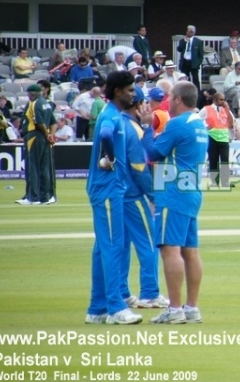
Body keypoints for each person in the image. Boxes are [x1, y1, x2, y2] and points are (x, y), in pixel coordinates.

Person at [138, 82, 208, 324]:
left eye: (170, 98)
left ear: (178, 99)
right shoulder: (200, 124)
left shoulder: (177, 124)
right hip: (191, 190)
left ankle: (175, 309)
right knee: (190, 251)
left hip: (172, 190)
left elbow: (153, 154)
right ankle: (191, 308)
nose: (167, 102)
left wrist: (147, 127)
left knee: (170, 249)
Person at [85, 71, 142, 325]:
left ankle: (97, 309)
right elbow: (107, 135)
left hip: (107, 189)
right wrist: (110, 158)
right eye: (130, 90)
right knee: (113, 246)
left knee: (102, 248)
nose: (134, 94)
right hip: (108, 190)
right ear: (118, 91)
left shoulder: (114, 114)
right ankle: (116, 306)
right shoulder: (111, 116)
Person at [121, 85, 167, 310]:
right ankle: (149, 293)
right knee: (149, 243)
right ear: (139, 105)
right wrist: (153, 194)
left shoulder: (119, 123)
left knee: (121, 244)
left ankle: (122, 292)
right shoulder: (135, 129)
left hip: (118, 193)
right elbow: (140, 167)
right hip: (133, 194)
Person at [15, 84, 57, 205]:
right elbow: (53, 122)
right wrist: (50, 135)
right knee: (44, 167)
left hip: (34, 136)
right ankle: (45, 197)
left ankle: (33, 197)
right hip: (44, 138)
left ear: (32, 94)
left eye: (28, 94)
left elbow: (39, 122)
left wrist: (46, 134)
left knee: (32, 166)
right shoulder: (46, 103)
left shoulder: (34, 103)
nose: (28, 96)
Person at [198, 91, 235, 188]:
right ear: (215, 100)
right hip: (212, 136)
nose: (223, 102)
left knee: (225, 160)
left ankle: (225, 181)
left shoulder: (225, 109)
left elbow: (231, 123)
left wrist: (228, 110)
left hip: (223, 137)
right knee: (213, 160)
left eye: (224, 99)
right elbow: (197, 119)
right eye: (221, 99)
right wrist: (205, 127)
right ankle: (214, 181)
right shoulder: (207, 109)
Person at [177, 25, 204, 100]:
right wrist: (184, 42)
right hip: (185, 62)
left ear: (192, 33)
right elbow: (179, 49)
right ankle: (186, 93)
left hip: (193, 63)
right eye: (187, 31)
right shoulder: (182, 40)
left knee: (195, 79)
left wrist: (198, 63)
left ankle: (197, 94)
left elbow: (201, 54)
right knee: (185, 78)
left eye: (189, 31)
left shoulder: (198, 42)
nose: (187, 33)